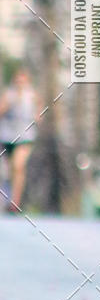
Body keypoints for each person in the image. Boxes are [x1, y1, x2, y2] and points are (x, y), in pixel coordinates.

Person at [0, 68, 41, 213]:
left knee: (18, 165)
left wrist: (37, 117)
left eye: (23, 80)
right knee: (9, 169)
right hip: (8, 135)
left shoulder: (32, 95)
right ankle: (8, 196)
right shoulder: (8, 94)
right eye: (18, 79)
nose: (20, 83)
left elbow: (39, 111)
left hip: (25, 136)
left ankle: (15, 202)